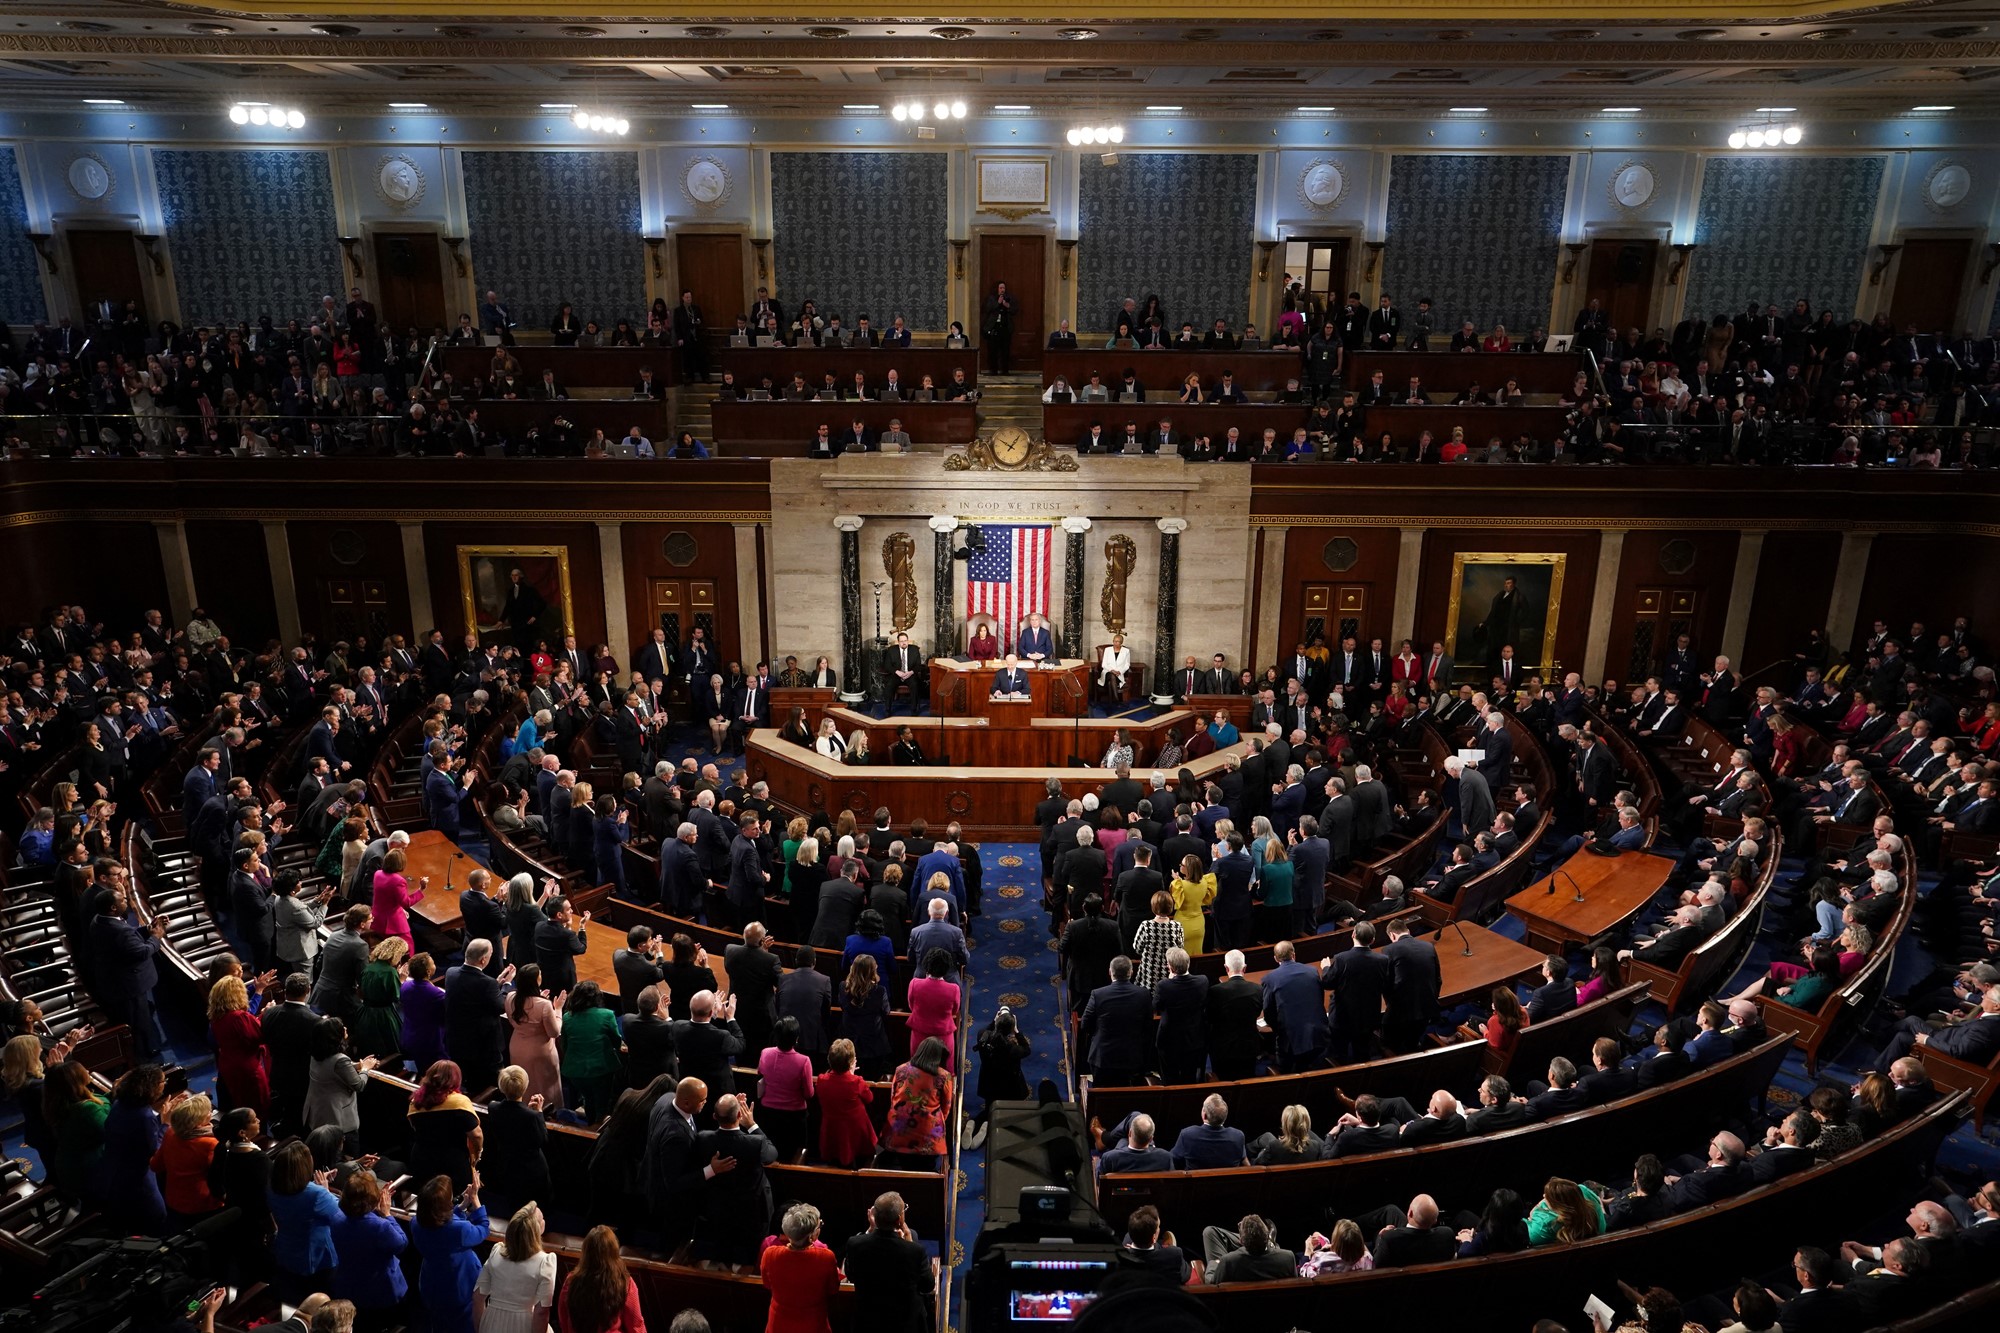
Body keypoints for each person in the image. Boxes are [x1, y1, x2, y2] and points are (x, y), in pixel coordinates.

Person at [843, 1191, 933, 1333]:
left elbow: (851, 1275)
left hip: (867, 1322)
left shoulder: (855, 1244)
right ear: (899, 1219)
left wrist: (870, 1230)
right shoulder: (915, 1251)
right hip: (905, 1324)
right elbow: (927, 1286)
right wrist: (909, 1241)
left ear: (874, 1217)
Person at [268, 1139, 344, 1304]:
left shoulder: (273, 1188)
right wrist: (325, 1189)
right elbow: (339, 1215)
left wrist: (316, 1186)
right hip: (317, 1259)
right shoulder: (316, 1194)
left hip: (286, 1252)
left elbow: (296, 1191)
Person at [415, 1172, 490, 1333]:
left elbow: (439, 1220)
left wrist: (461, 1206)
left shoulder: (417, 1223)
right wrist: (475, 1199)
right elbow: (483, 1229)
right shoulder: (459, 1230)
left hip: (432, 1285)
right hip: (458, 1287)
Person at [332, 1169, 410, 1323]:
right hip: (380, 1292)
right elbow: (401, 1243)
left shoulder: (336, 1218)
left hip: (348, 1287)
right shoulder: (380, 1227)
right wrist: (387, 1214)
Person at [475, 1201, 559, 1333]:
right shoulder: (545, 1262)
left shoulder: (496, 1252)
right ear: (537, 1230)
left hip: (491, 1322)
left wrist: (481, 1327)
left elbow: (478, 1297)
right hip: (523, 1325)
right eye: (542, 1219)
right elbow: (541, 1311)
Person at [762, 1202, 841, 1333]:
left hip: (779, 1323)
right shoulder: (826, 1257)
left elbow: (767, 1284)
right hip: (813, 1325)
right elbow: (833, 1289)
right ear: (813, 1236)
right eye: (819, 1224)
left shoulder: (770, 1254)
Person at [407, 1060, 483, 1193]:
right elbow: (476, 1134)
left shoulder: (416, 1103)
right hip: (452, 1163)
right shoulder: (459, 1101)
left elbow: (415, 1128)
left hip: (422, 1160)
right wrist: (477, 1153)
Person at [882, 1037, 953, 1170]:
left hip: (899, 1129)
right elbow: (946, 1108)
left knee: (905, 1166)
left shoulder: (900, 1070)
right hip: (928, 1134)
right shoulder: (944, 1076)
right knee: (927, 1168)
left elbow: (893, 1098)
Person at [558, 1225, 645, 1333]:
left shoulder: (571, 1281)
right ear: (614, 1252)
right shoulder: (625, 1283)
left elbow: (563, 1320)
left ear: (586, 1251)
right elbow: (636, 1326)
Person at [560, 983, 625, 1123]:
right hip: (601, 1068)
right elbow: (616, 1040)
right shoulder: (607, 1015)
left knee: (588, 1098)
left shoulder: (567, 1017)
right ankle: (598, 1129)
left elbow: (564, 1045)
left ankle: (591, 1122)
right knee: (602, 1102)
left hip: (575, 1070)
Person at [507, 964, 565, 1112]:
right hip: (540, 1052)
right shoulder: (544, 1005)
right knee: (545, 1087)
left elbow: (520, 1017)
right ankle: (546, 1114)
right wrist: (557, 1009)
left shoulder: (510, 996)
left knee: (523, 1085)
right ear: (535, 981)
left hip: (517, 1047)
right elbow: (554, 1032)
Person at [211, 973, 271, 1114]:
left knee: (238, 1102)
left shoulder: (216, 1016)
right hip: (247, 1070)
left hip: (227, 1064)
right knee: (257, 1107)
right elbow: (259, 1036)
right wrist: (266, 1014)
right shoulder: (239, 1017)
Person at [970, 1007, 1030, 1137]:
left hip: (989, 1083)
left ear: (996, 1022)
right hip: (1010, 1087)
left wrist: (994, 1022)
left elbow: (987, 1031)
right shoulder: (1013, 1049)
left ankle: (980, 1125)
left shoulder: (983, 1036)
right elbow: (1026, 1049)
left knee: (989, 1108)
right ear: (1011, 1029)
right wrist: (1017, 1031)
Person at [1202, 1214, 1299, 1283]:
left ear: (1241, 1242)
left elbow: (1211, 1282)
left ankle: (1267, 1243)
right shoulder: (1288, 1257)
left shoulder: (1228, 1261)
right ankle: (1271, 1244)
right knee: (1210, 1232)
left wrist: (1215, 1263)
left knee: (1209, 1232)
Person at [907, 948, 961, 1067]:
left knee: (917, 1070)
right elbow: (955, 1011)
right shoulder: (954, 989)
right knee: (943, 1072)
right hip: (943, 1036)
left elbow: (912, 1006)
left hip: (919, 1034)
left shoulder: (914, 984)